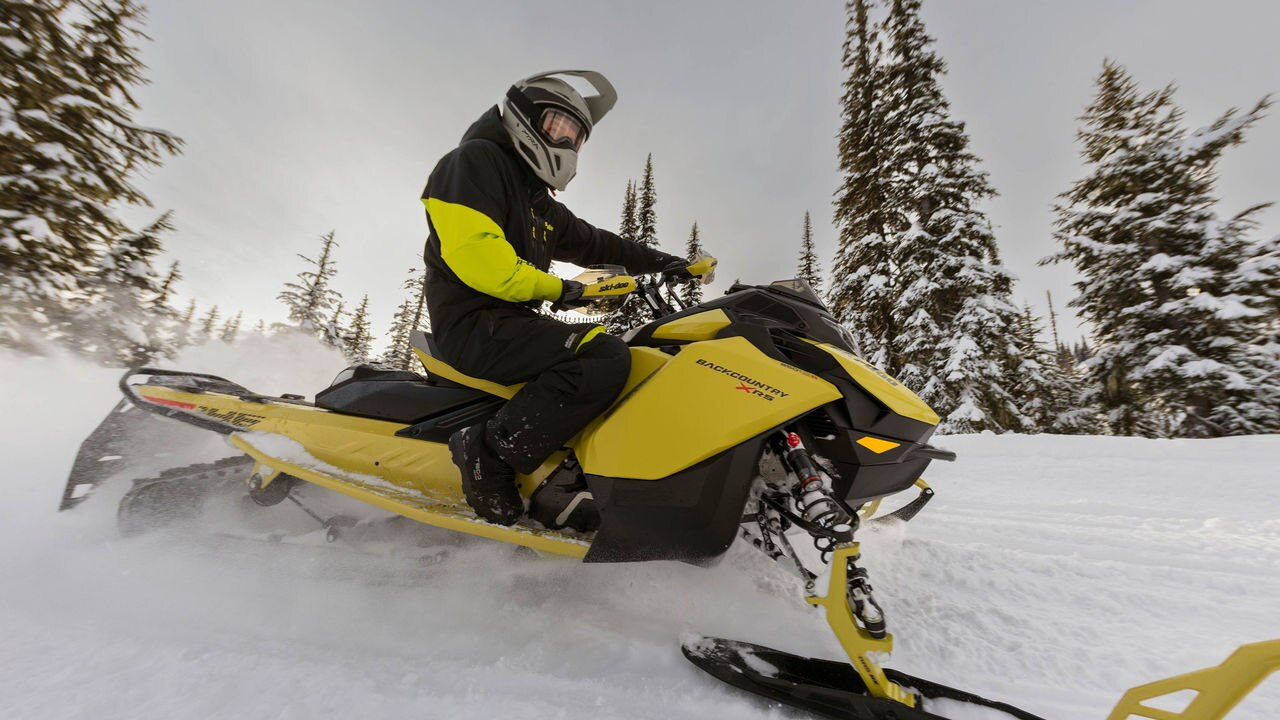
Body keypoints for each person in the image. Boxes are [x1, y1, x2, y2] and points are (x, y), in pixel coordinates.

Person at [420, 70, 695, 526]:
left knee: (629, 353)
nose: (566, 143)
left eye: (576, 138)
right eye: (558, 127)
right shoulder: (473, 162)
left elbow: (599, 243)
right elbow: (482, 263)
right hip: (472, 325)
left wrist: (670, 264)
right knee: (603, 355)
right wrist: (564, 290)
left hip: (510, 325)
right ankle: (487, 455)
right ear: (524, 118)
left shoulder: (537, 203)